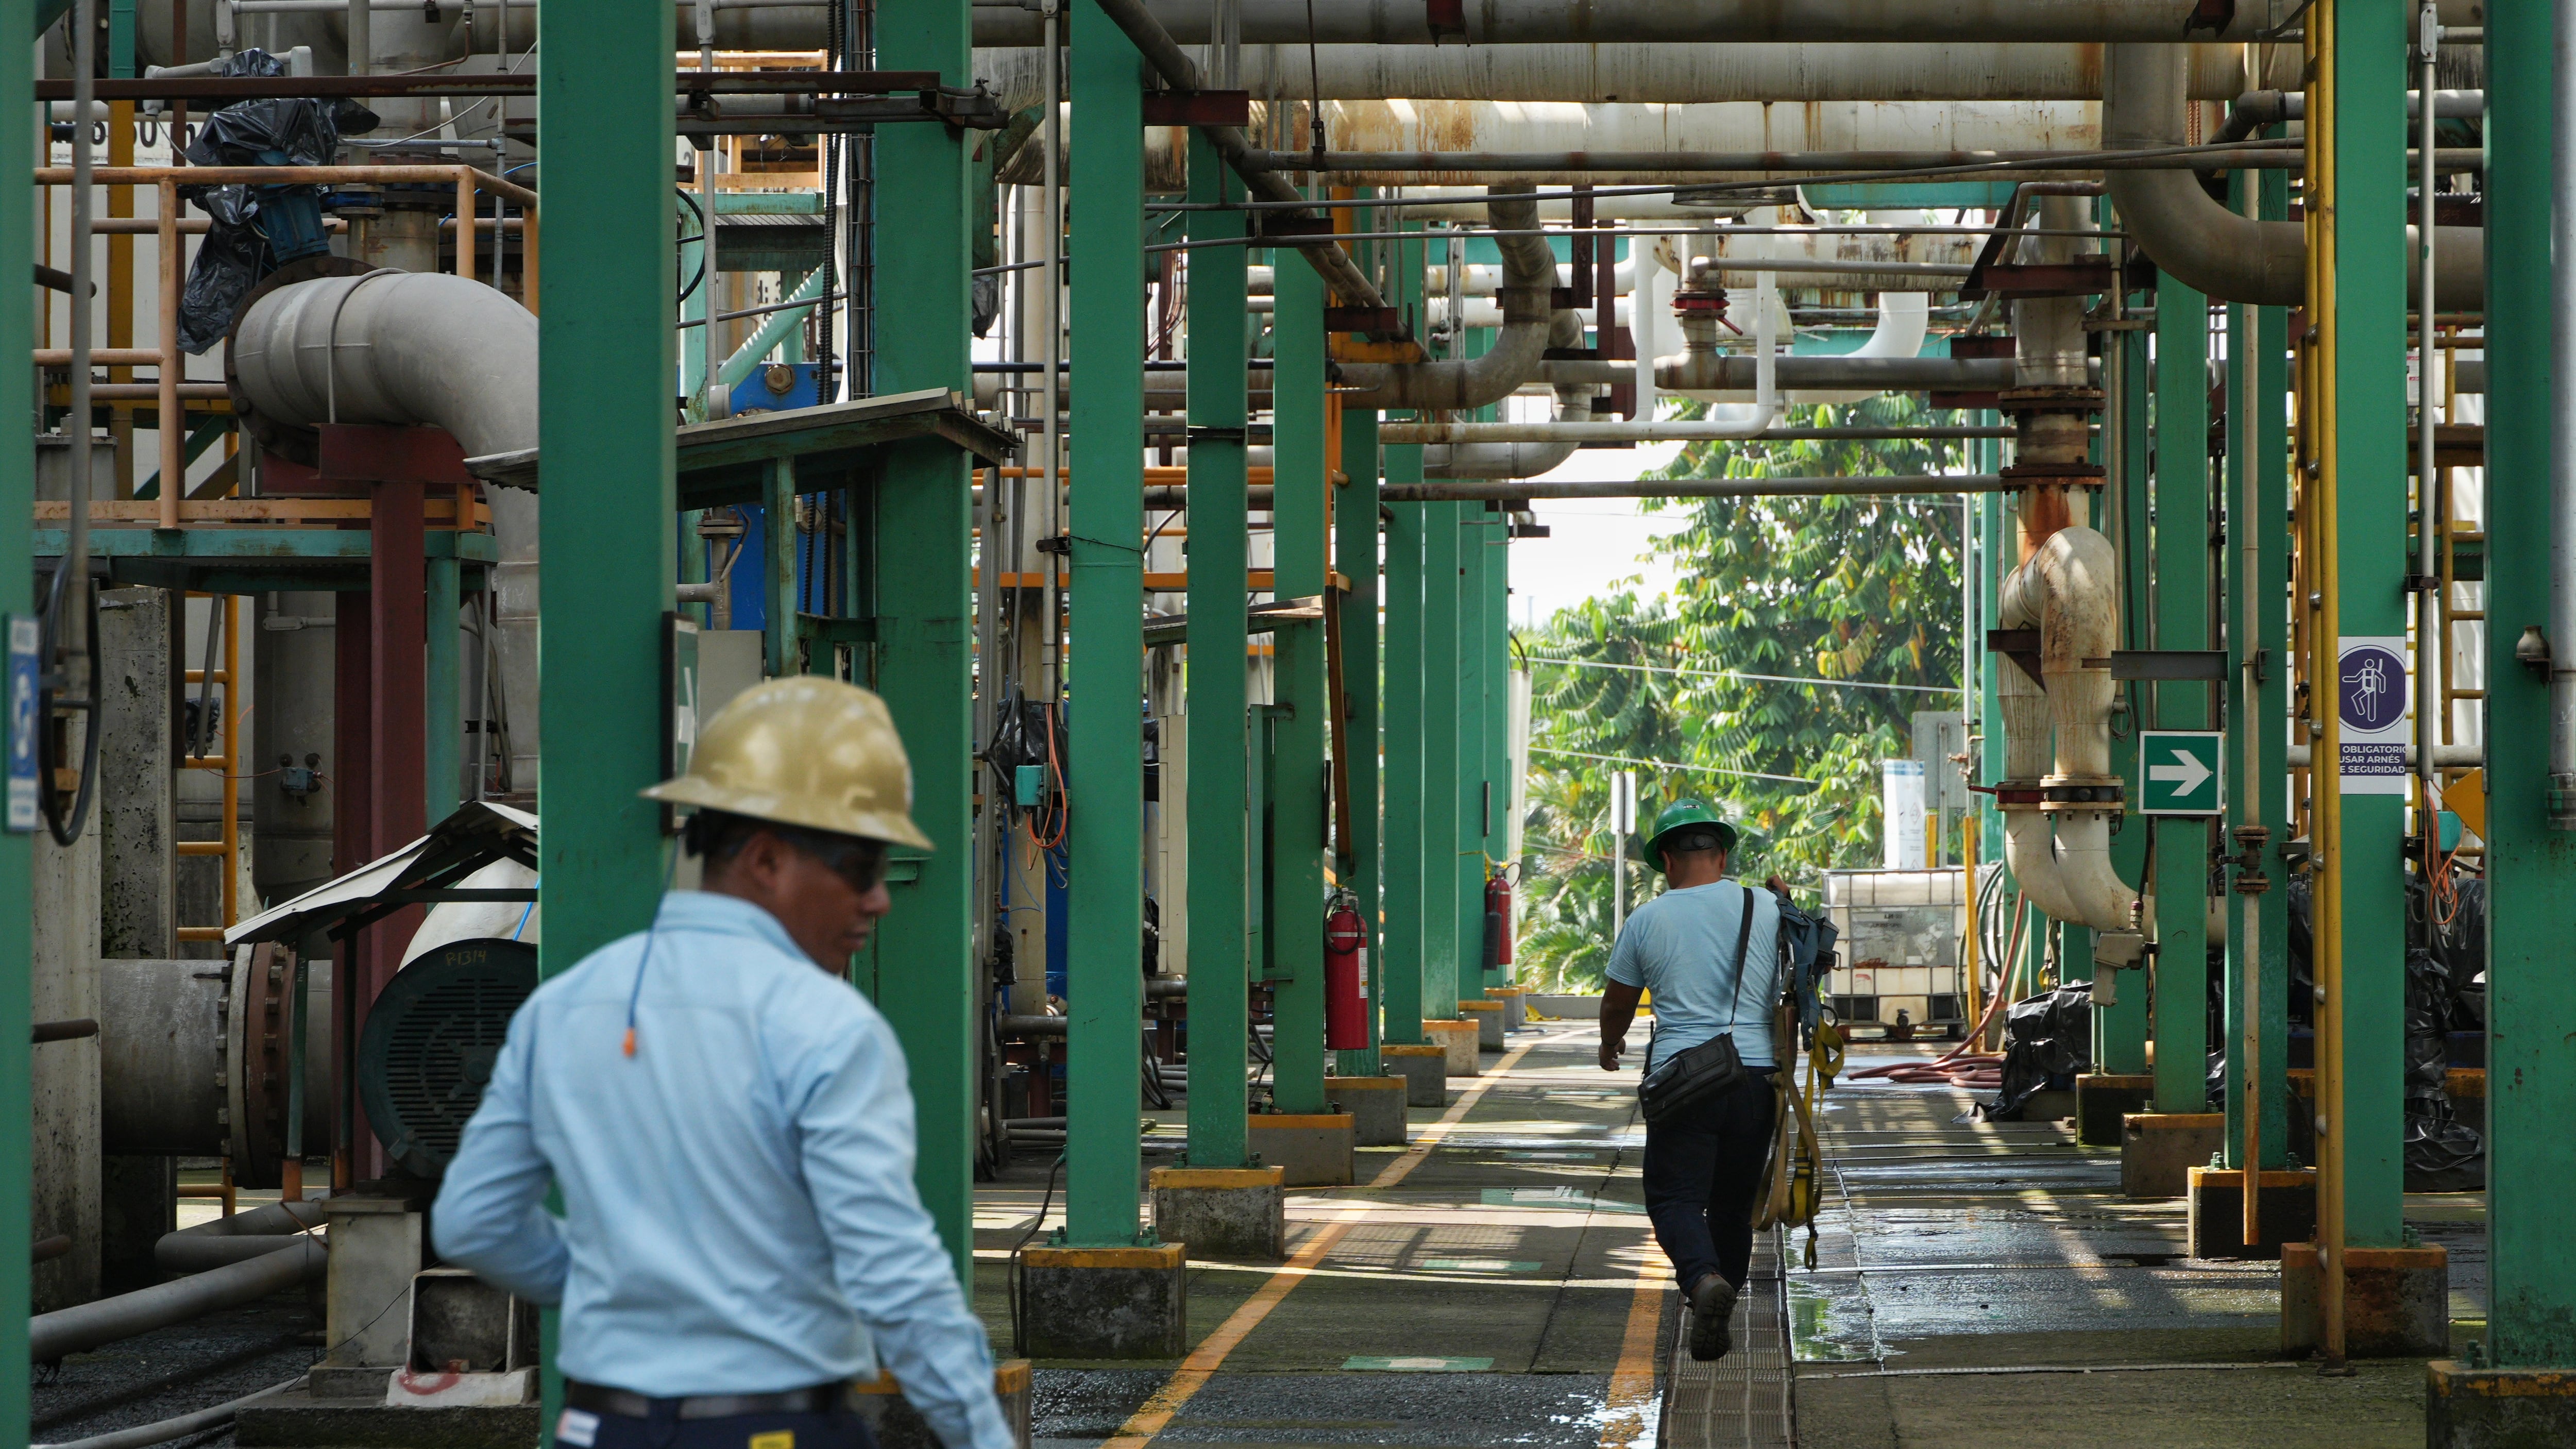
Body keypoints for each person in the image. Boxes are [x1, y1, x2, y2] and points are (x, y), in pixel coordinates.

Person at [433, 677, 1012, 1449]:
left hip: (597, 1429)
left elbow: (473, 1221)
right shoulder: (827, 1027)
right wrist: (985, 1434)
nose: (880, 900)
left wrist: (619, 1289)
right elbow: (893, 1274)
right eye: (863, 865)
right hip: (770, 1430)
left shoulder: (563, 1006)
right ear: (768, 860)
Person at [1596, 799, 1787, 1363]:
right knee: (1731, 1206)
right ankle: (1719, 1302)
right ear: (1722, 855)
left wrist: (1609, 1044)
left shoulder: (1648, 919)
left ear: (1666, 861)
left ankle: (1704, 1283)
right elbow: (1804, 970)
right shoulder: (1766, 905)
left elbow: (1617, 1002)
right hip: (1756, 1077)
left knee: (1675, 1196)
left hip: (1684, 1079)